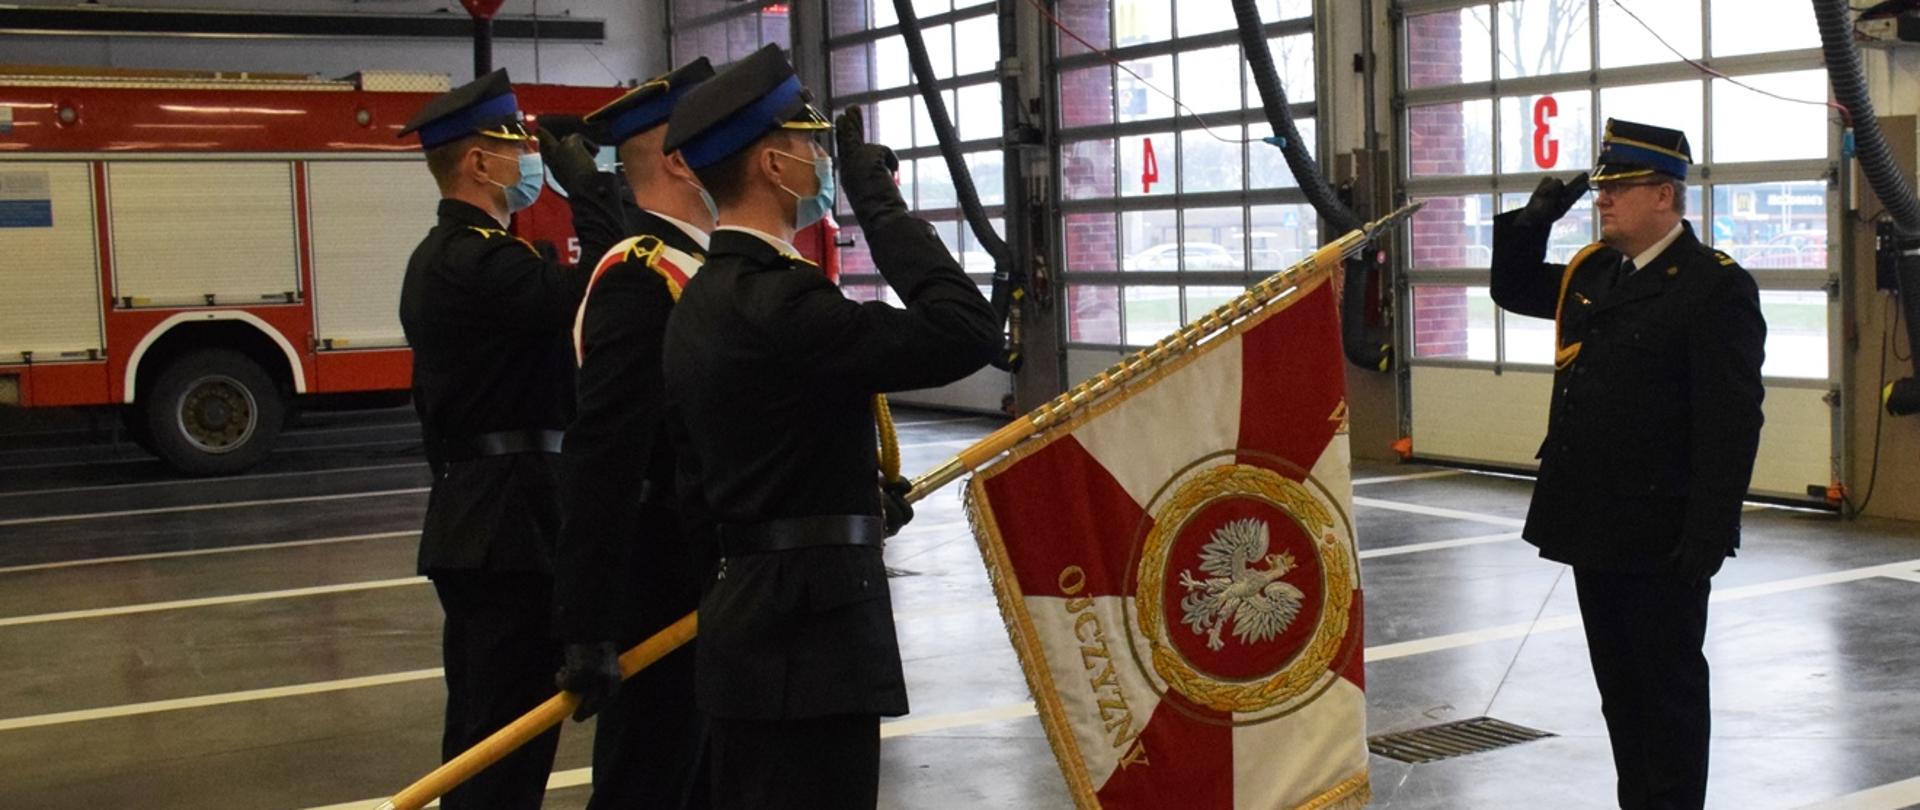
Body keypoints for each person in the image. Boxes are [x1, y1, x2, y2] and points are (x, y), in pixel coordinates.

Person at [659, 44, 1001, 809]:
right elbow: (967, 331)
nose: (822, 160)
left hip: (746, 627)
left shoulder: (700, 302)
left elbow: (707, 480)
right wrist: (878, 203)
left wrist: (846, 510)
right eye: (811, 144)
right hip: (811, 646)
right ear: (774, 164)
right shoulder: (785, 302)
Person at [1489, 118, 1766, 810]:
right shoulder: (1597, 274)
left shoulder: (1713, 287)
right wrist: (1533, 220)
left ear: (1666, 197)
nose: (1602, 200)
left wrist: (1709, 533)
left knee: (1666, 695)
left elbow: (1730, 422)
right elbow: (1514, 287)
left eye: (1621, 188)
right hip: (1591, 523)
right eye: (1601, 189)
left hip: (1662, 532)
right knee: (1619, 694)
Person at [396, 69, 622, 810]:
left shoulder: (456, 257)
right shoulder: (476, 261)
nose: (526, 161)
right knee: (505, 737)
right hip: (507, 524)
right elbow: (602, 283)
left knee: (489, 728)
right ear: (477, 162)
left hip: (484, 512)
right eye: (515, 148)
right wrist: (584, 186)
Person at [549, 56, 718, 810]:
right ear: (682, 160)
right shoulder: (640, 277)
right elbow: (604, 456)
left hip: (714, 573)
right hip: (661, 579)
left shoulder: (705, 264)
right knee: (649, 780)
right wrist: (588, 624)